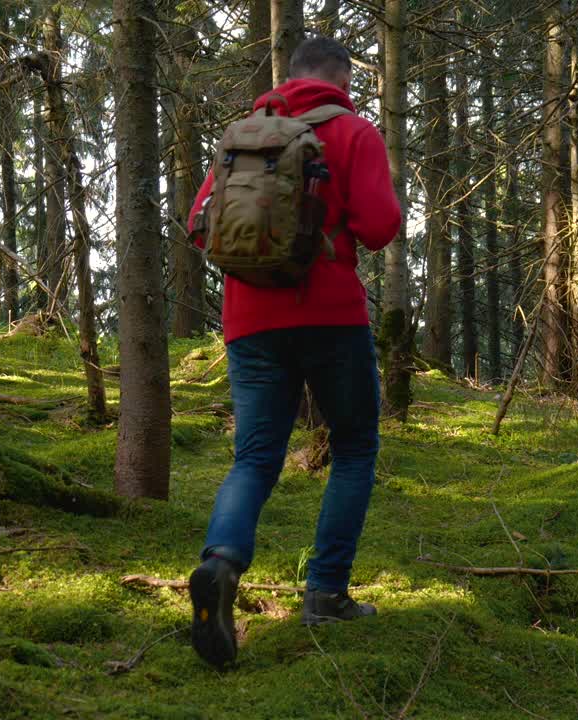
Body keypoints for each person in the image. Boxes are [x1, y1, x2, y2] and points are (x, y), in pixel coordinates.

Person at [185, 35, 402, 669]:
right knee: (355, 447)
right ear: (342, 80)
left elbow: (202, 224)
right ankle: (326, 593)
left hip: (249, 319)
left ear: (290, 75)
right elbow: (380, 227)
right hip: (331, 317)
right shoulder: (355, 133)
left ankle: (220, 563)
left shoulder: (245, 134)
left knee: (255, 456)